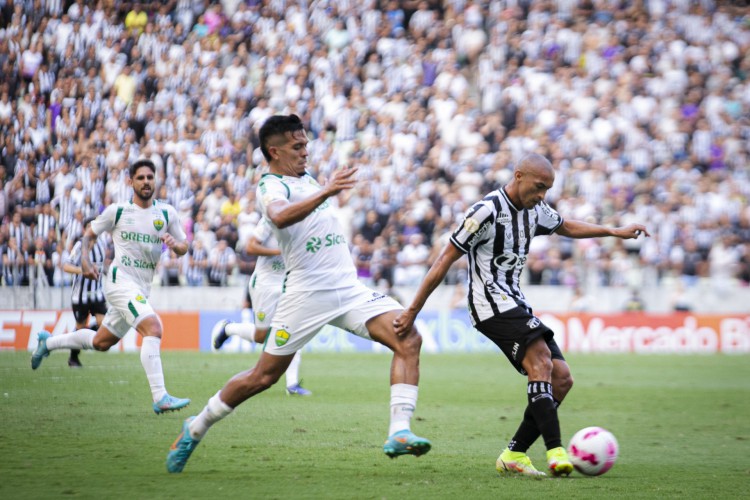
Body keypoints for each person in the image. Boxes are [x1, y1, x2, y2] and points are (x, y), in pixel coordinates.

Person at [166, 114, 430, 473]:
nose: (306, 151)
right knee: (262, 377)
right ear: (273, 152)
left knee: (408, 337)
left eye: (305, 144)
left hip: (348, 289)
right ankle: (195, 428)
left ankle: (399, 431)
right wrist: (327, 191)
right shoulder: (271, 186)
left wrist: (322, 188)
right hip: (306, 294)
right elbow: (277, 217)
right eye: (297, 146)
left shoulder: (306, 179)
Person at [393, 153, 650, 477]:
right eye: (539, 187)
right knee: (541, 361)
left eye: (548, 189)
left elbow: (565, 225)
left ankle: (514, 454)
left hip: (515, 302)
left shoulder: (535, 210)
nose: (543, 195)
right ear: (518, 176)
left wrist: (614, 231)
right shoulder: (485, 211)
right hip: (489, 305)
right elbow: (445, 258)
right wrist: (413, 310)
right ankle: (556, 451)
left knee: (561, 378)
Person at [31, 159, 191, 415]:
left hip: (141, 288)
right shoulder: (117, 211)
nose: (146, 182)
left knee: (101, 341)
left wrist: (174, 244)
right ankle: (160, 396)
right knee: (153, 328)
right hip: (119, 282)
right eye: (141, 178)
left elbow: (184, 248)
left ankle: (47, 343)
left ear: (156, 180)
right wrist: (84, 259)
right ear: (131, 182)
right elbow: (88, 234)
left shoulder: (167, 214)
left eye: (150, 177)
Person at [212, 217, 312, 396]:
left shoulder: (305, 224)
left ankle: (292, 384)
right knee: (261, 336)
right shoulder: (270, 220)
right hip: (265, 284)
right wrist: (279, 251)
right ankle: (228, 328)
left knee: (294, 329)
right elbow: (249, 248)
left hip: (288, 284)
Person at [61, 217, 109, 368]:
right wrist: (83, 270)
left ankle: (81, 335)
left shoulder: (102, 243)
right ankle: (73, 358)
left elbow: (103, 265)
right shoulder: (80, 245)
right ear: (84, 230)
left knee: (105, 325)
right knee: (80, 327)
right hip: (80, 296)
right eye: (89, 227)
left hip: (97, 294)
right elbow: (66, 266)